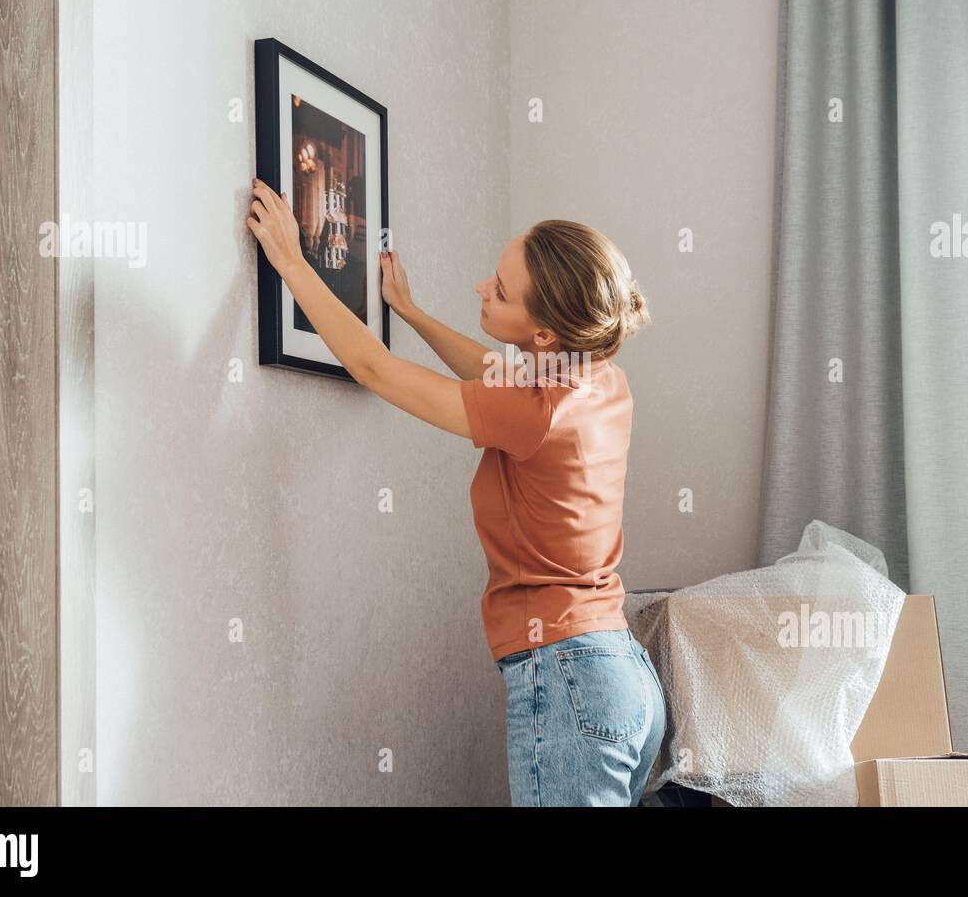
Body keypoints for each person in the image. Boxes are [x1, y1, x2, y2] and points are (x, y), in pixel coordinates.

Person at [247, 178, 665, 806]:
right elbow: (495, 375)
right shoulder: (599, 379)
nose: (482, 288)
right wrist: (411, 313)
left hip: (569, 677)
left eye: (499, 290)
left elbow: (374, 370)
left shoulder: (537, 411)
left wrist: (290, 262)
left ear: (546, 335)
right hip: (622, 675)